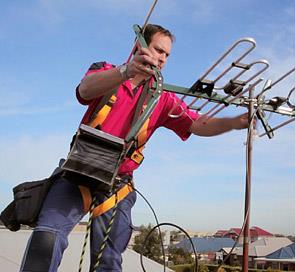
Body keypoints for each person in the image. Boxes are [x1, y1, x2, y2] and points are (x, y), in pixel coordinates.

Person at [20, 24, 250, 272]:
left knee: (108, 261)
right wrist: (126, 71)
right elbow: (85, 89)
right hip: (79, 172)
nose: (161, 58)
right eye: (157, 49)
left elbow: (197, 124)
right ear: (139, 46)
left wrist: (234, 123)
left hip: (117, 184)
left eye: (167, 54)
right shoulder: (107, 71)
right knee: (47, 239)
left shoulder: (163, 97)